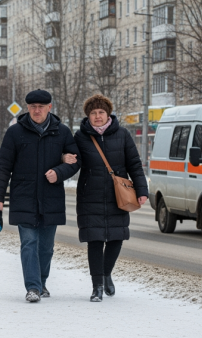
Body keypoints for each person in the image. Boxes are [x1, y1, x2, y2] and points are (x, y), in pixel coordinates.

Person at [0, 89, 81, 303]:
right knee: (29, 243)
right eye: (32, 107)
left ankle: (41, 282)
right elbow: (3, 166)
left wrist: (59, 173)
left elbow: (76, 161)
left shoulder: (62, 132)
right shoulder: (15, 133)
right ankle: (32, 287)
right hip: (24, 196)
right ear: (27, 108)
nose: (36, 110)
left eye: (41, 107)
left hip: (51, 197)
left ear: (50, 107)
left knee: (46, 247)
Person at [62, 94, 148, 302]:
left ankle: (106, 272)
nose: (97, 116)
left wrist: (142, 190)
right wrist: (64, 158)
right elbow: (74, 162)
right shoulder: (80, 137)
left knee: (116, 239)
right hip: (90, 195)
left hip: (118, 195)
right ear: (88, 115)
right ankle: (97, 286)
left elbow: (134, 164)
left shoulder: (123, 135)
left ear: (108, 114)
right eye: (93, 113)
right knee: (95, 239)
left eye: (101, 112)